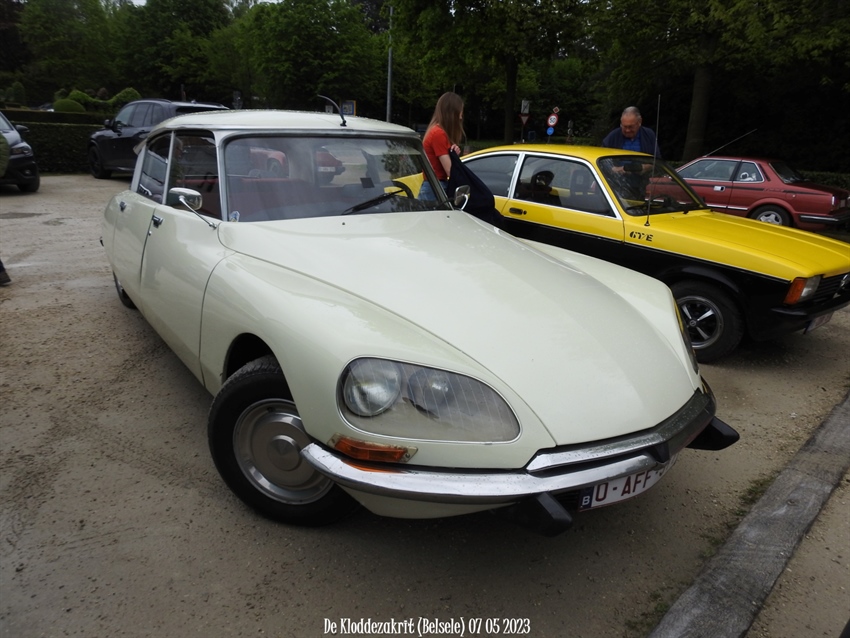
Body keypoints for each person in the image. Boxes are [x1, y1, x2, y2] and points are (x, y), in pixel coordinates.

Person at [419, 92, 464, 201]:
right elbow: (450, 170)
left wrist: (454, 154)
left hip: (433, 187)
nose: (461, 116)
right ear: (452, 112)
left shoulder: (435, 131)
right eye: (460, 112)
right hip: (435, 189)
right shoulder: (438, 134)